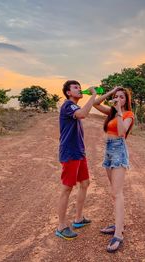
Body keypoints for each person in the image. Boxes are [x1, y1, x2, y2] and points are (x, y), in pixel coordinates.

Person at [93, 86, 134, 252]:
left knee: (117, 193)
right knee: (113, 192)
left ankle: (119, 233)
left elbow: (122, 130)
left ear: (126, 100)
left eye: (121, 97)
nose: (118, 99)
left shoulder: (128, 115)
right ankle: (119, 224)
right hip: (108, 150)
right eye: (117, 96)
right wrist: (111, 92)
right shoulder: (110, 112)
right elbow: (95, 103)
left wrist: (118, 109)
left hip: (118, 150)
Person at [55, 80, 96, 240]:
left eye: (80, 87)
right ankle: (61, 226)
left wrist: (105, 93)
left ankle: (78, 219)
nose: (79, 89)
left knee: (85, 184)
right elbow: (83, 114)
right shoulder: (68, 105)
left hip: (79, 152)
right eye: (75, 87)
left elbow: (90, 106)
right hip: (70, 153)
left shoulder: (76, 106)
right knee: (67, 188)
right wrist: (92, 95)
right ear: (68, 92)